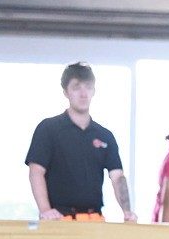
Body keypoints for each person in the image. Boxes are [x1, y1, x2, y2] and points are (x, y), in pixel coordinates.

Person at [26, 62, 137, 222]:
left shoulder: (105, 136)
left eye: (88, 86)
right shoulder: (48, 129)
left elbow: (117, 176)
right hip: (59, 218)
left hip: (94, 220)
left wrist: (127, 211)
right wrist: (46, 210)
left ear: (94, 91)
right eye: (77, 87)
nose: (83, 93)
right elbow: (36, 171)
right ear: (66, 92)